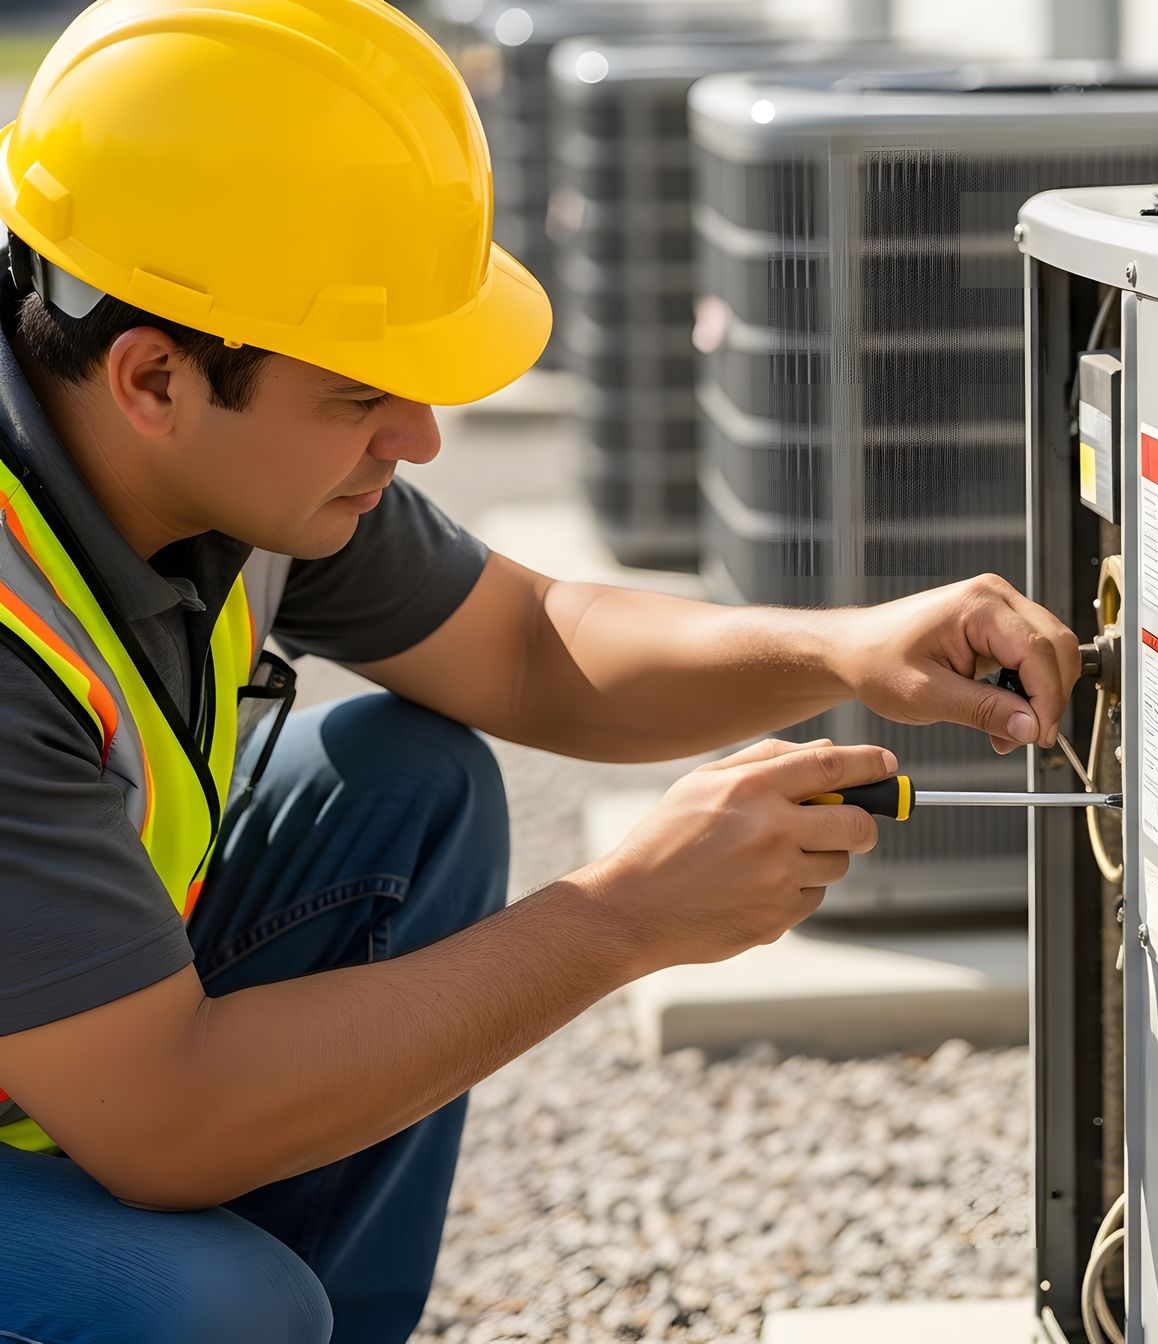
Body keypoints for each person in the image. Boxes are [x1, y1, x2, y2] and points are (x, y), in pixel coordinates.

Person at [0, 2, 1079, 1340]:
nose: (423, 437)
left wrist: (841, 648)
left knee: (405, 789)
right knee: (214, 1309)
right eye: (361, 395)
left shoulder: (191, 433)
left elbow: (524, 646)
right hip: (124, 1089)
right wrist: (620, 917)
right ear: (153, 376)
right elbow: (170, 1121)